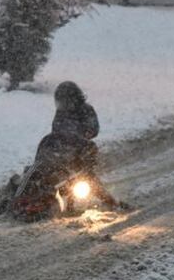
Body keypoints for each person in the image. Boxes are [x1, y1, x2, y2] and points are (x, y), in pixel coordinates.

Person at [49, 81, 131, 211]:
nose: (62, 105)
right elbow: (55, 130)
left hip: (81, 150)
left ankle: (110, 202)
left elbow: (93, 129)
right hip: (64, 152)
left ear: (74, 99)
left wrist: (80, 136)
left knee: (86, 177)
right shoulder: (60, 113)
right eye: (60, 102)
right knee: (55, 175)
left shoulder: (86, 110)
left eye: (65, 101)